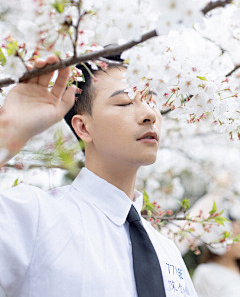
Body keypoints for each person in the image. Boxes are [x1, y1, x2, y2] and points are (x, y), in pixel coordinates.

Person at [0, 53, 198, 297]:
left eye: (152, 102)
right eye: (125, 102)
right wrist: (6, 133)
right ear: (83, 127)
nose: (150, 114)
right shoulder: (34, 215)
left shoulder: (167, 251)